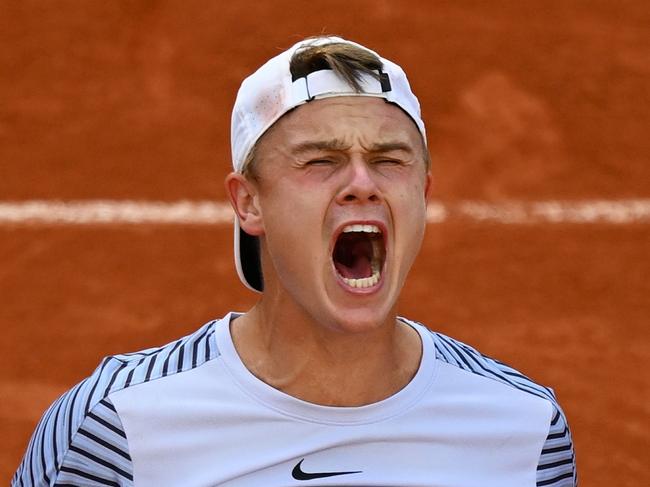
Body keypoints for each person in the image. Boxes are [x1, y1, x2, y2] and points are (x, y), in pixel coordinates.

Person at [13, 36, 577, 486]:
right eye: (320, 160)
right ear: (249, 202)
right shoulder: (116, 427)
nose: (362, 183)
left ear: (423, 193)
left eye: (388, 160)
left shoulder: (522, 428)